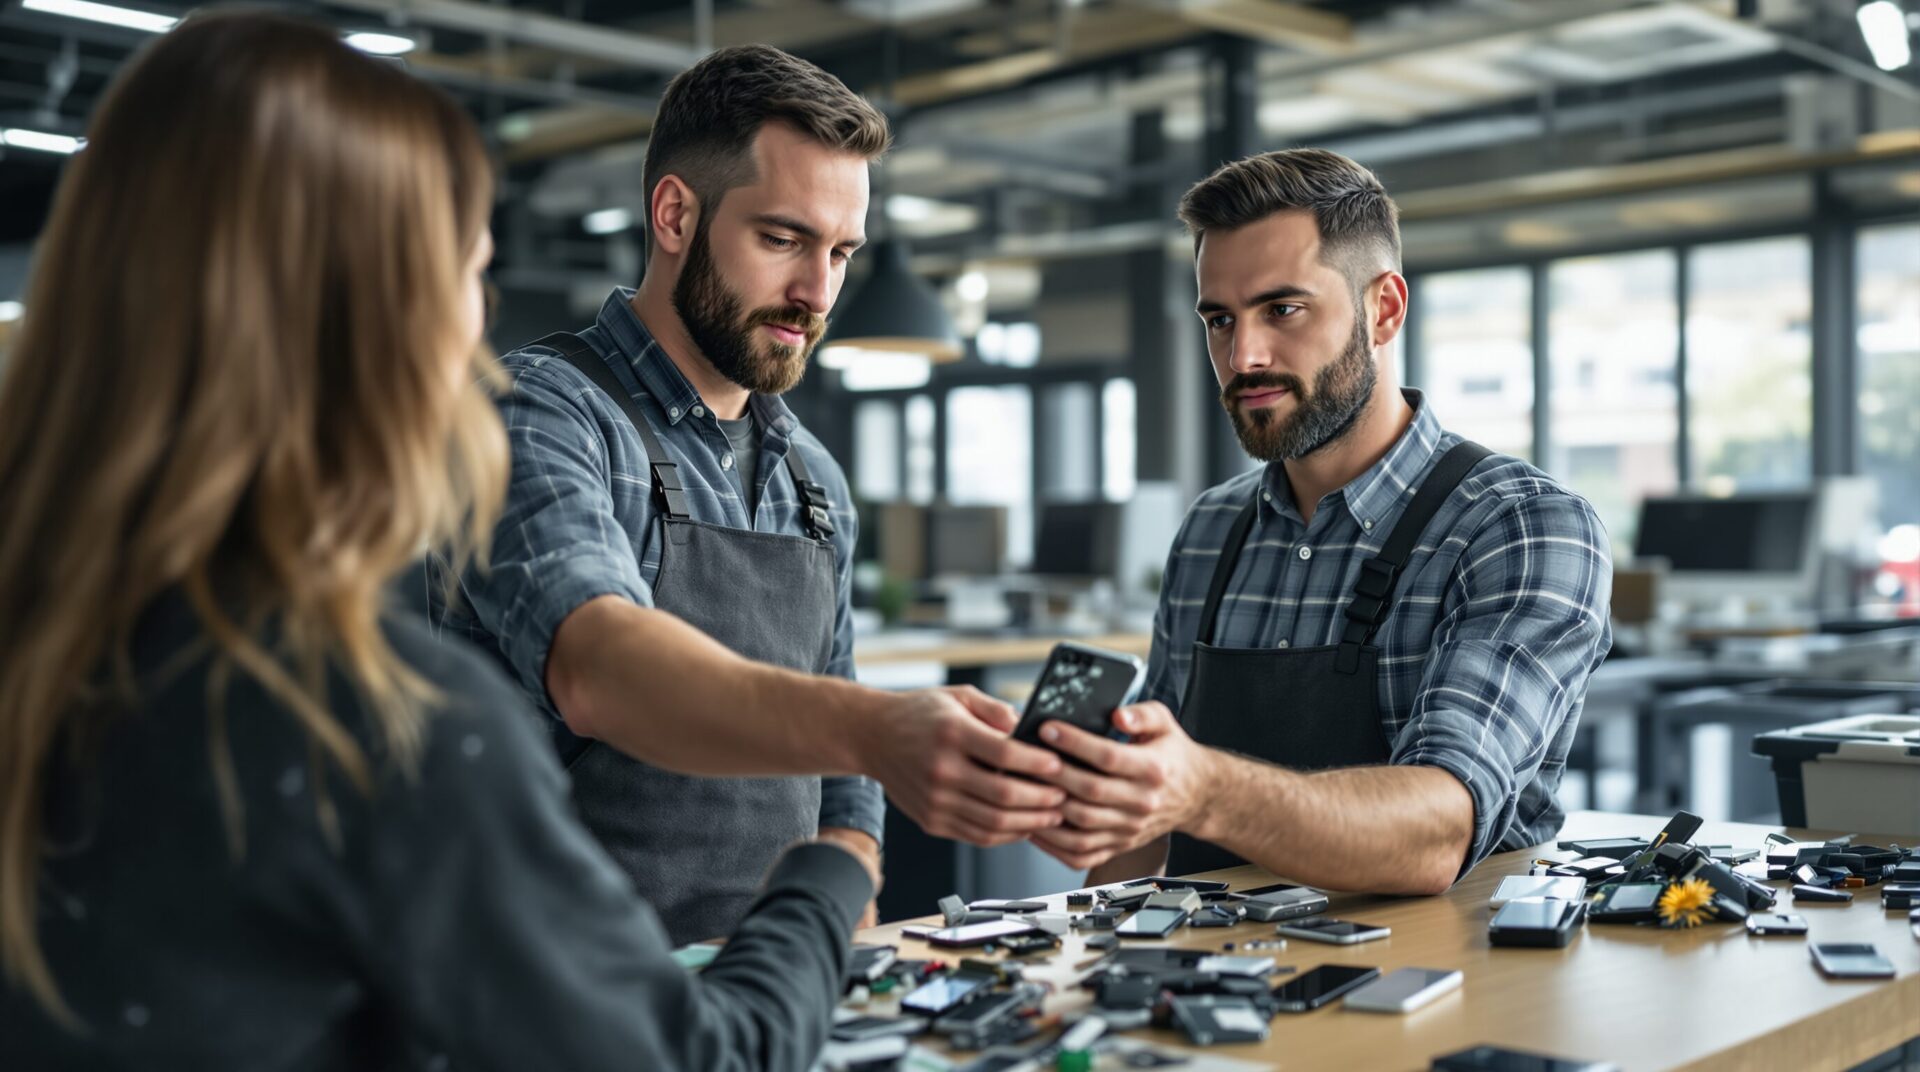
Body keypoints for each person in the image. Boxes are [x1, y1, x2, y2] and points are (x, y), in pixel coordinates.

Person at [0, 15, 875, 1070]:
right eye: (467, 273)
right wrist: (832, 870)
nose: (475, 331)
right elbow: (695, 1059)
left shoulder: (65, 656)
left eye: (841, 253)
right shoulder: (379, 730)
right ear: (379, 322)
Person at [430, 44, 1066, 942]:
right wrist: (881, 728)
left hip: (765, 974)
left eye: (841, 252)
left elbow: (840, 771)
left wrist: (842, 909)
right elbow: (596, 666)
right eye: (783, 239)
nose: (817, 292)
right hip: (558, 978)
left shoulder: (814, 479)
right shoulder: (537, 415)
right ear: (675, 215)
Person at [1025, 149, 1613, 894]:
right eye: (1219, 319)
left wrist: (1203, 790)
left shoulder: (1521, 526)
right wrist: (1086, 918)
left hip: (1430, 965)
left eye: (1283, 310)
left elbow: (1438, 831)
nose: (1243, 355)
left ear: (1384, 309)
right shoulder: (1211, 529)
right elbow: (1145, 821)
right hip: (1208, 961)